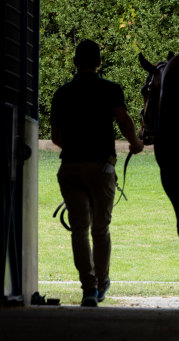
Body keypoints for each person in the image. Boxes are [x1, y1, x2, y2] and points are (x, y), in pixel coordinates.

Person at [50, 40, 144, 306]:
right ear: (100, 62)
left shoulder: (62, 93)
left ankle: (88, 289)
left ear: (75, 62)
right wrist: (135, 143)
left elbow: (56, 137)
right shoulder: (111, 90)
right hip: (101, 168)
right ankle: (102, 284)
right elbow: (124, 120)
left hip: (70, 168)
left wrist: (74, 148)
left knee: (79, 228)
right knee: (100, 228)